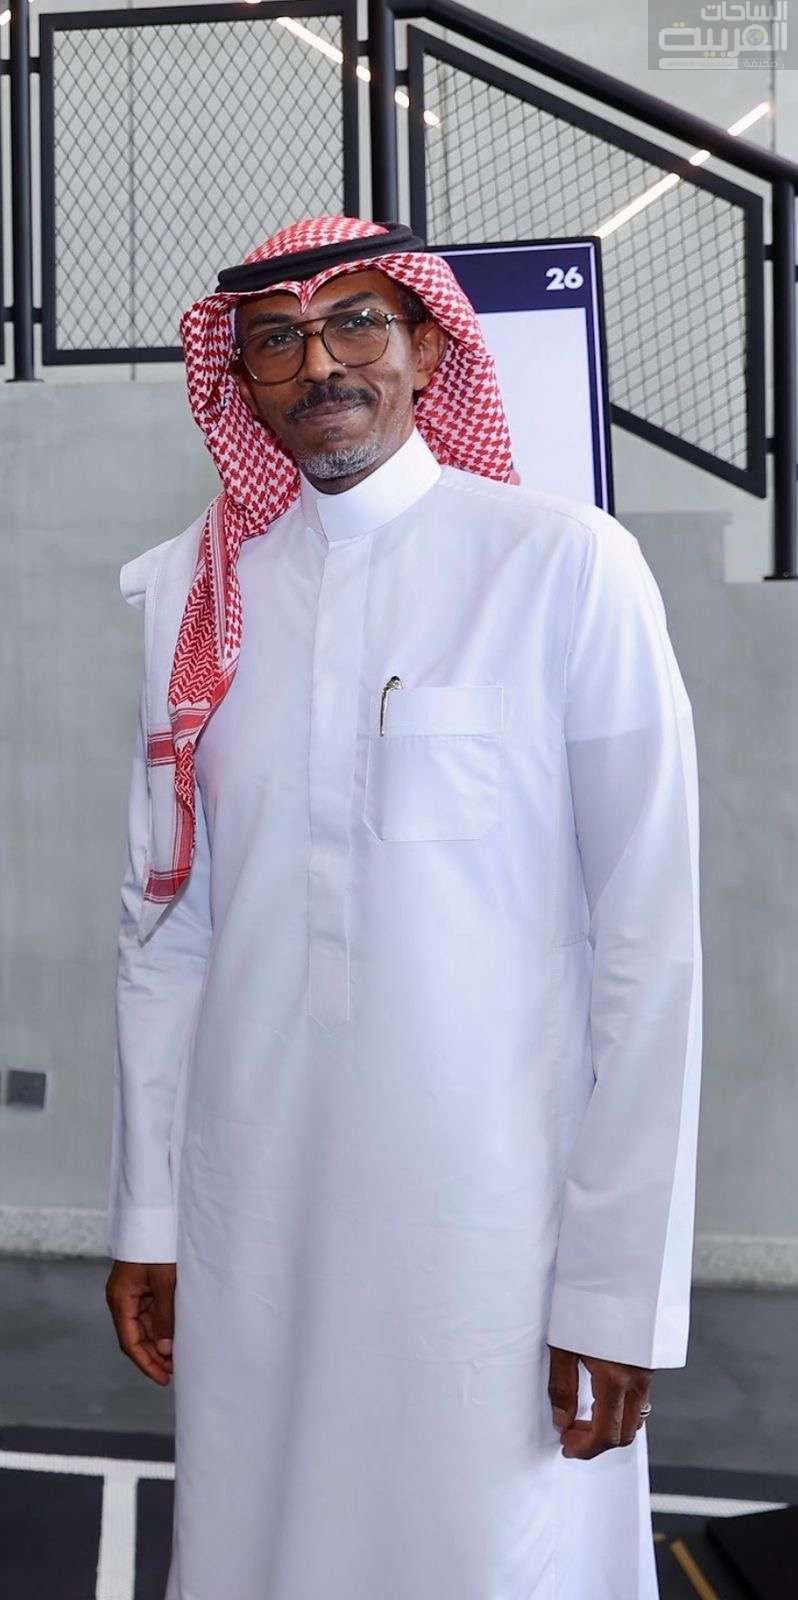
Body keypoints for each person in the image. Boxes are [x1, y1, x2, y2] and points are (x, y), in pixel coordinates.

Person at [105, 214, 702, 1600]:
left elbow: (649, 945)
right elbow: (164, 930)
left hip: (491, 1228)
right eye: (276, 341)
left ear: (429, 347)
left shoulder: (562, 564)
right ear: (239, 380)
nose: (320, 364)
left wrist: (617, 1288)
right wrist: (151, 1216)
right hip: (255, 1214)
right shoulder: (199, 596)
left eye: (356, 324)